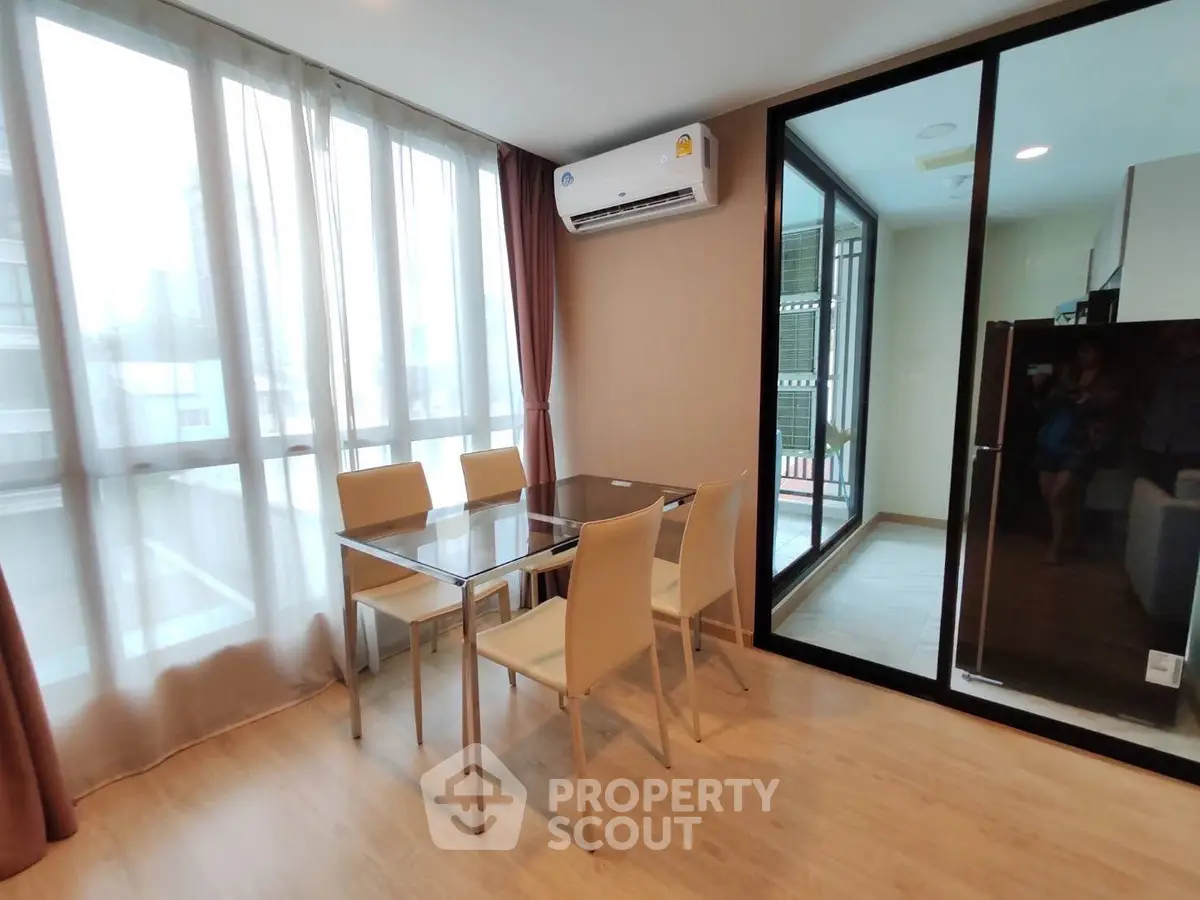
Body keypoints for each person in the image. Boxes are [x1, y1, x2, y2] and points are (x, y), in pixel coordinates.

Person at [1032, 339, 1120, 564]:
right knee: (1051, 496)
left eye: (1089, 350)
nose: (1083, 355)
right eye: (1080, 350)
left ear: (1100, 353)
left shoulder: (1107, 380)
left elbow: (1097, 406)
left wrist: (1072, 389)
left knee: (1059, 495)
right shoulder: (1066, 373)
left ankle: (1057, 547)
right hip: (1050, 440)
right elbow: (1042, 407)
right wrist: (1040, 386)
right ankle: (1070, 540)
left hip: (1079, 444)